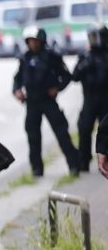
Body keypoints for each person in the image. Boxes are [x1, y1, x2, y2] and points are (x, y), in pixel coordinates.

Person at [12, 26, 80, 177]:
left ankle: (74, 164)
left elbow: (66, 76)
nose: (33, 44)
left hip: (48, 101)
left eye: (35, 41)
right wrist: (17, 91)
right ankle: (37, 169)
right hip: (31, 103)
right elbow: (17, 78)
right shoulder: (25, 58)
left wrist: (58, 88)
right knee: (33, 137)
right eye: (30, 41)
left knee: (61, 133)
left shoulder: (52, 56)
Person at [71, 24, 108, 172]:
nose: (93, 41)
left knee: (105, 130)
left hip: (106, 99)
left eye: (95, 37)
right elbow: (74, 76)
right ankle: (84, 161)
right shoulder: (86, 56)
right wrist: (87, 63)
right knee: (84, 128)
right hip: (90, 99)